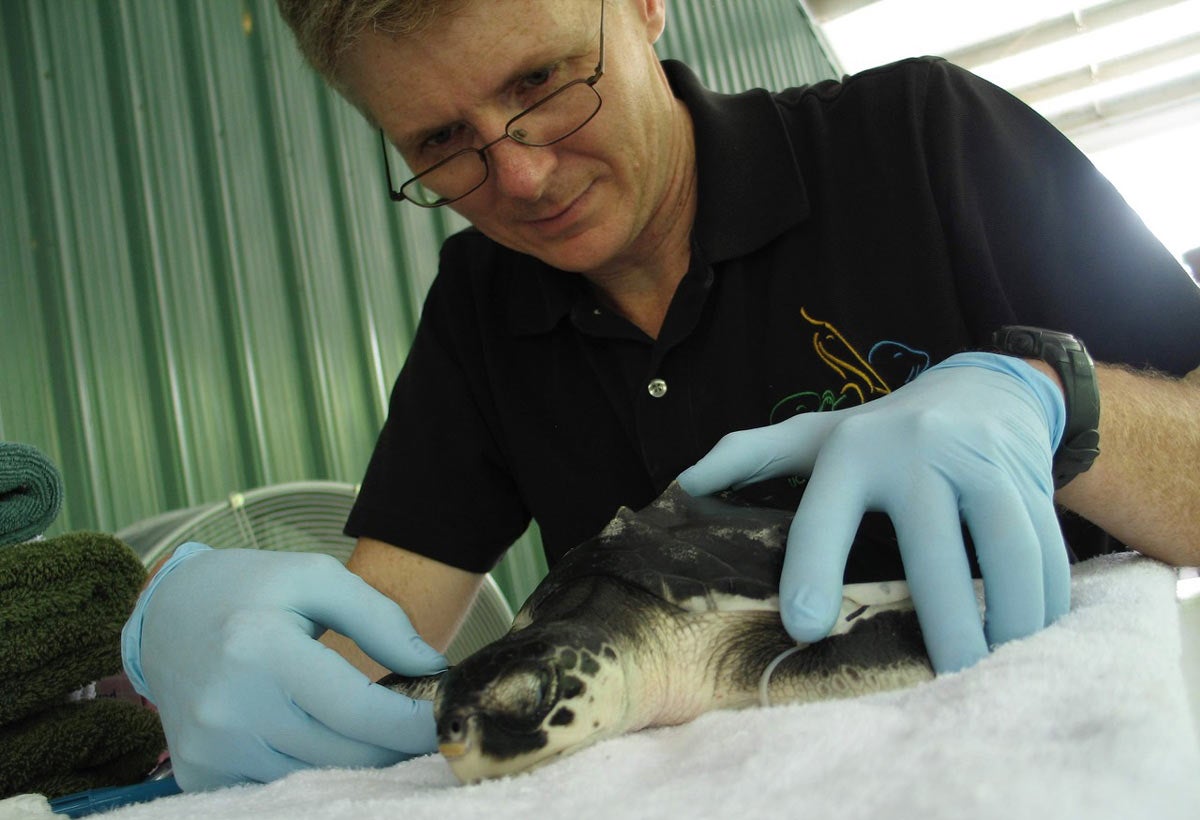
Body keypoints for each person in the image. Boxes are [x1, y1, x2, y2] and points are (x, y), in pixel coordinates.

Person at [121, 0, 1200, 793]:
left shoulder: (919, 135)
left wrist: (1052, 401)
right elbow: (361, 653)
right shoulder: (480, 309)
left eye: (541, 82)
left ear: (642, 8)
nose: (522, 177)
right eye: (441, 143)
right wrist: (176, 647)